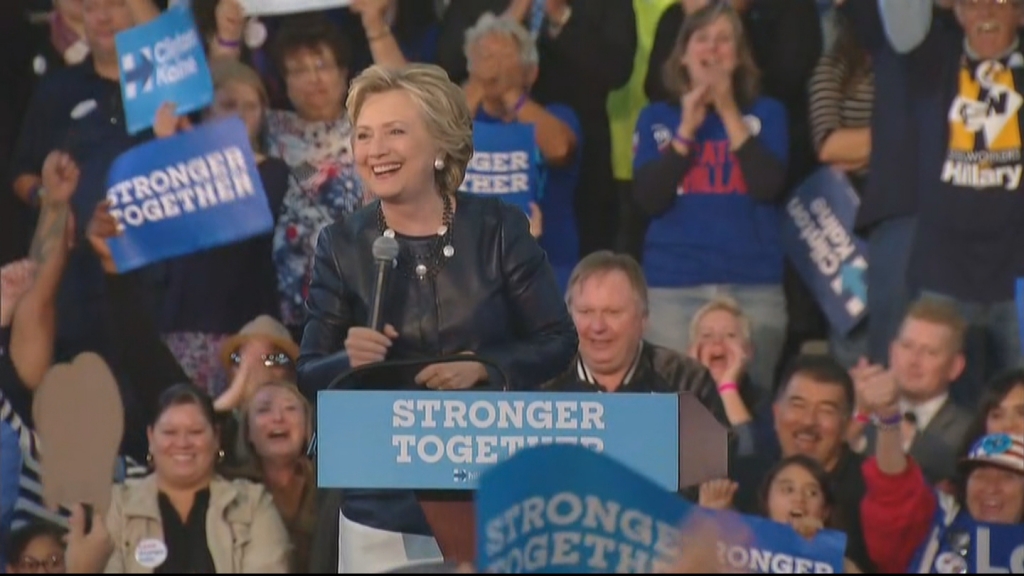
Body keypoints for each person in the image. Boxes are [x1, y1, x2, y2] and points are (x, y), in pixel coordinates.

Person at [297, 63, 577, 572]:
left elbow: (557, 340)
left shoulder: (497, 228)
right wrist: (347, 359)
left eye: (395, 132)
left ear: (440, 145)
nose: (375, 149)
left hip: (490, 497)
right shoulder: (342, 244)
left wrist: (485, 368)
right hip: (381, 503)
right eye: (363, 136)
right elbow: (309, 372)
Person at [632, 2, 790, 397]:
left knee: (752, 404)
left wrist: (727, 109)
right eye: (702, 39)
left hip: (753, 283)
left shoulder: (768, 113)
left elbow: (767, 185)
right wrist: (687, 129)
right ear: (683, 54)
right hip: (674, 285)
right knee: (672, 410)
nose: (714, 49)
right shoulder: (656, 119)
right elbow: (650, 198)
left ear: (739, 56)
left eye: (725, 40)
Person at [155, 59, 290, 397]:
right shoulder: (178, 167)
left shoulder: (274, 171)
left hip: (246, 328)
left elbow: (240, 222)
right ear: (205, 113)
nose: (241, 115)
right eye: (228, 105)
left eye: (251, 106)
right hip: (183, 325)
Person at [62, 383, 292, 573]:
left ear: (216, 438)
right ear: (151, 438)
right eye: (170, 432)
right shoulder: (117, 506)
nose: (182, 443)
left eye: (196, 432)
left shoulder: (253, 504)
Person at [699, 455, 864, 572]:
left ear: (825, 511)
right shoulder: (739, 553)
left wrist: (818, 551)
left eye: (812, 493)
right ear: (767, 500)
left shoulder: (841, 565)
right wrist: (709, 528)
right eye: (788, 489)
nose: (799, 499)